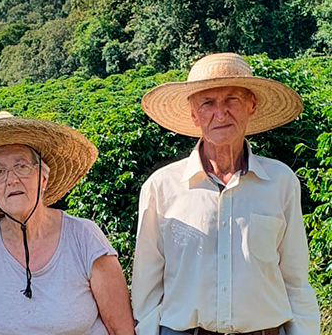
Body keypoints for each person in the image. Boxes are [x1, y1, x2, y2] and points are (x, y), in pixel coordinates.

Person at [131, 52, 320, 335]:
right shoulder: (162, 187)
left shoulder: (281, 182)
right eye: (207, 103)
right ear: (194, 114)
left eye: (232, 99)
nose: (221, 114)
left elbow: (295, 281)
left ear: (251, 105)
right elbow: (146, 289)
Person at [0, 111, 135, 334]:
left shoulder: (83, 236)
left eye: (22, 166)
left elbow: (121, 330)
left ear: (43, 178)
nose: (12, 179)